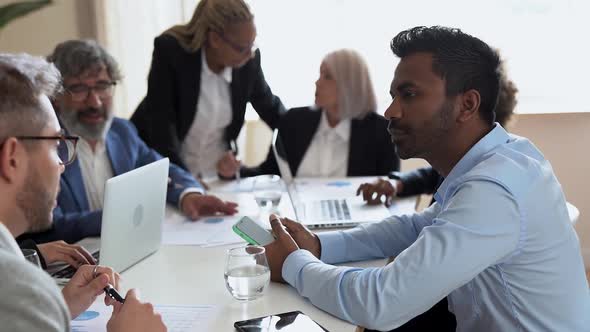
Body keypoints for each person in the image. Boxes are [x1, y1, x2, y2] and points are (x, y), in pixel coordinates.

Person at [262, 26, 590, 331]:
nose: (391, 110)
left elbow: (381, 301)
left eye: (409, 94)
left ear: (467, 104)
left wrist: (294, 265)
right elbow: (417, 227)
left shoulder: (495, 188)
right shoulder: (499, 158)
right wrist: (319, 245)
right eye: (393, 95)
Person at [0, 53, 166, 332]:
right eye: (55, 144)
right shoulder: (16, 289)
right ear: (13, 157)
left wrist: (57, 310)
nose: (62, 165)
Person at [17, 39, 237, 245]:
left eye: (102, 86)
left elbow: (164, 171)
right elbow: (47, 225)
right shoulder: (43, 145)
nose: (94, 102)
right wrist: (121, 216)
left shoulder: (122, 132)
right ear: (56, 96)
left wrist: (189, 195)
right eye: (79, 89)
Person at [131, 0, 286, 179]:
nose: (250, 54)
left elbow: (272, 109)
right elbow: (162, 129)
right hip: (167, 177)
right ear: (215, 39)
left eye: (253, 45)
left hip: (217, 178)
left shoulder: (248, 62)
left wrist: (312, 127)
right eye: (242, 48)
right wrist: (186, 183)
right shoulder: (171, 53)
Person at [358, 57, 519, 205]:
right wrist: (397, 184)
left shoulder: (485, 187)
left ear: (468, 107)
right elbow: (432, 175)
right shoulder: (468, 158)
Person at [218, 49, 399, 178]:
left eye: (327, 76)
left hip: (359, 228)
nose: (317, 82)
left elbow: (390, 187)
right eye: (319, 74)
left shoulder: (381, 131)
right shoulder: (293, 121)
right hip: (297, 223)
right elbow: (270, 173)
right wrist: (236, 171)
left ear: (349, 85)